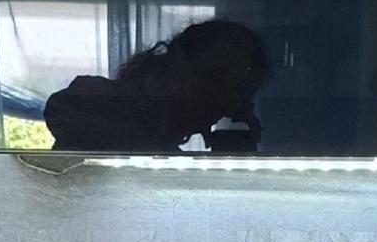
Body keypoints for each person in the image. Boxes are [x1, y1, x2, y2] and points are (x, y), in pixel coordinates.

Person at [43, 20, 271, 153]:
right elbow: (64, 108)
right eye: (216, 82)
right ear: (182, 68)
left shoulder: (159, 140)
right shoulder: (101, 106)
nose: (221, 107)